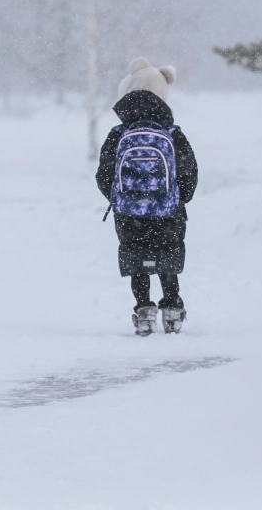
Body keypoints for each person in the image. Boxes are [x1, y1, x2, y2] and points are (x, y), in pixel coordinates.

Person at [96, 58, 198, 335]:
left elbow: (103, 175)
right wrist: (178, 199)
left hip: (129, 211)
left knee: (137, 258)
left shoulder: (119, 134)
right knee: (166, 256)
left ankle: (144, 310)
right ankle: (173, 309)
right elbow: (189, 171)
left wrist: (121, 199)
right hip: (168, 209)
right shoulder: (172, 133)